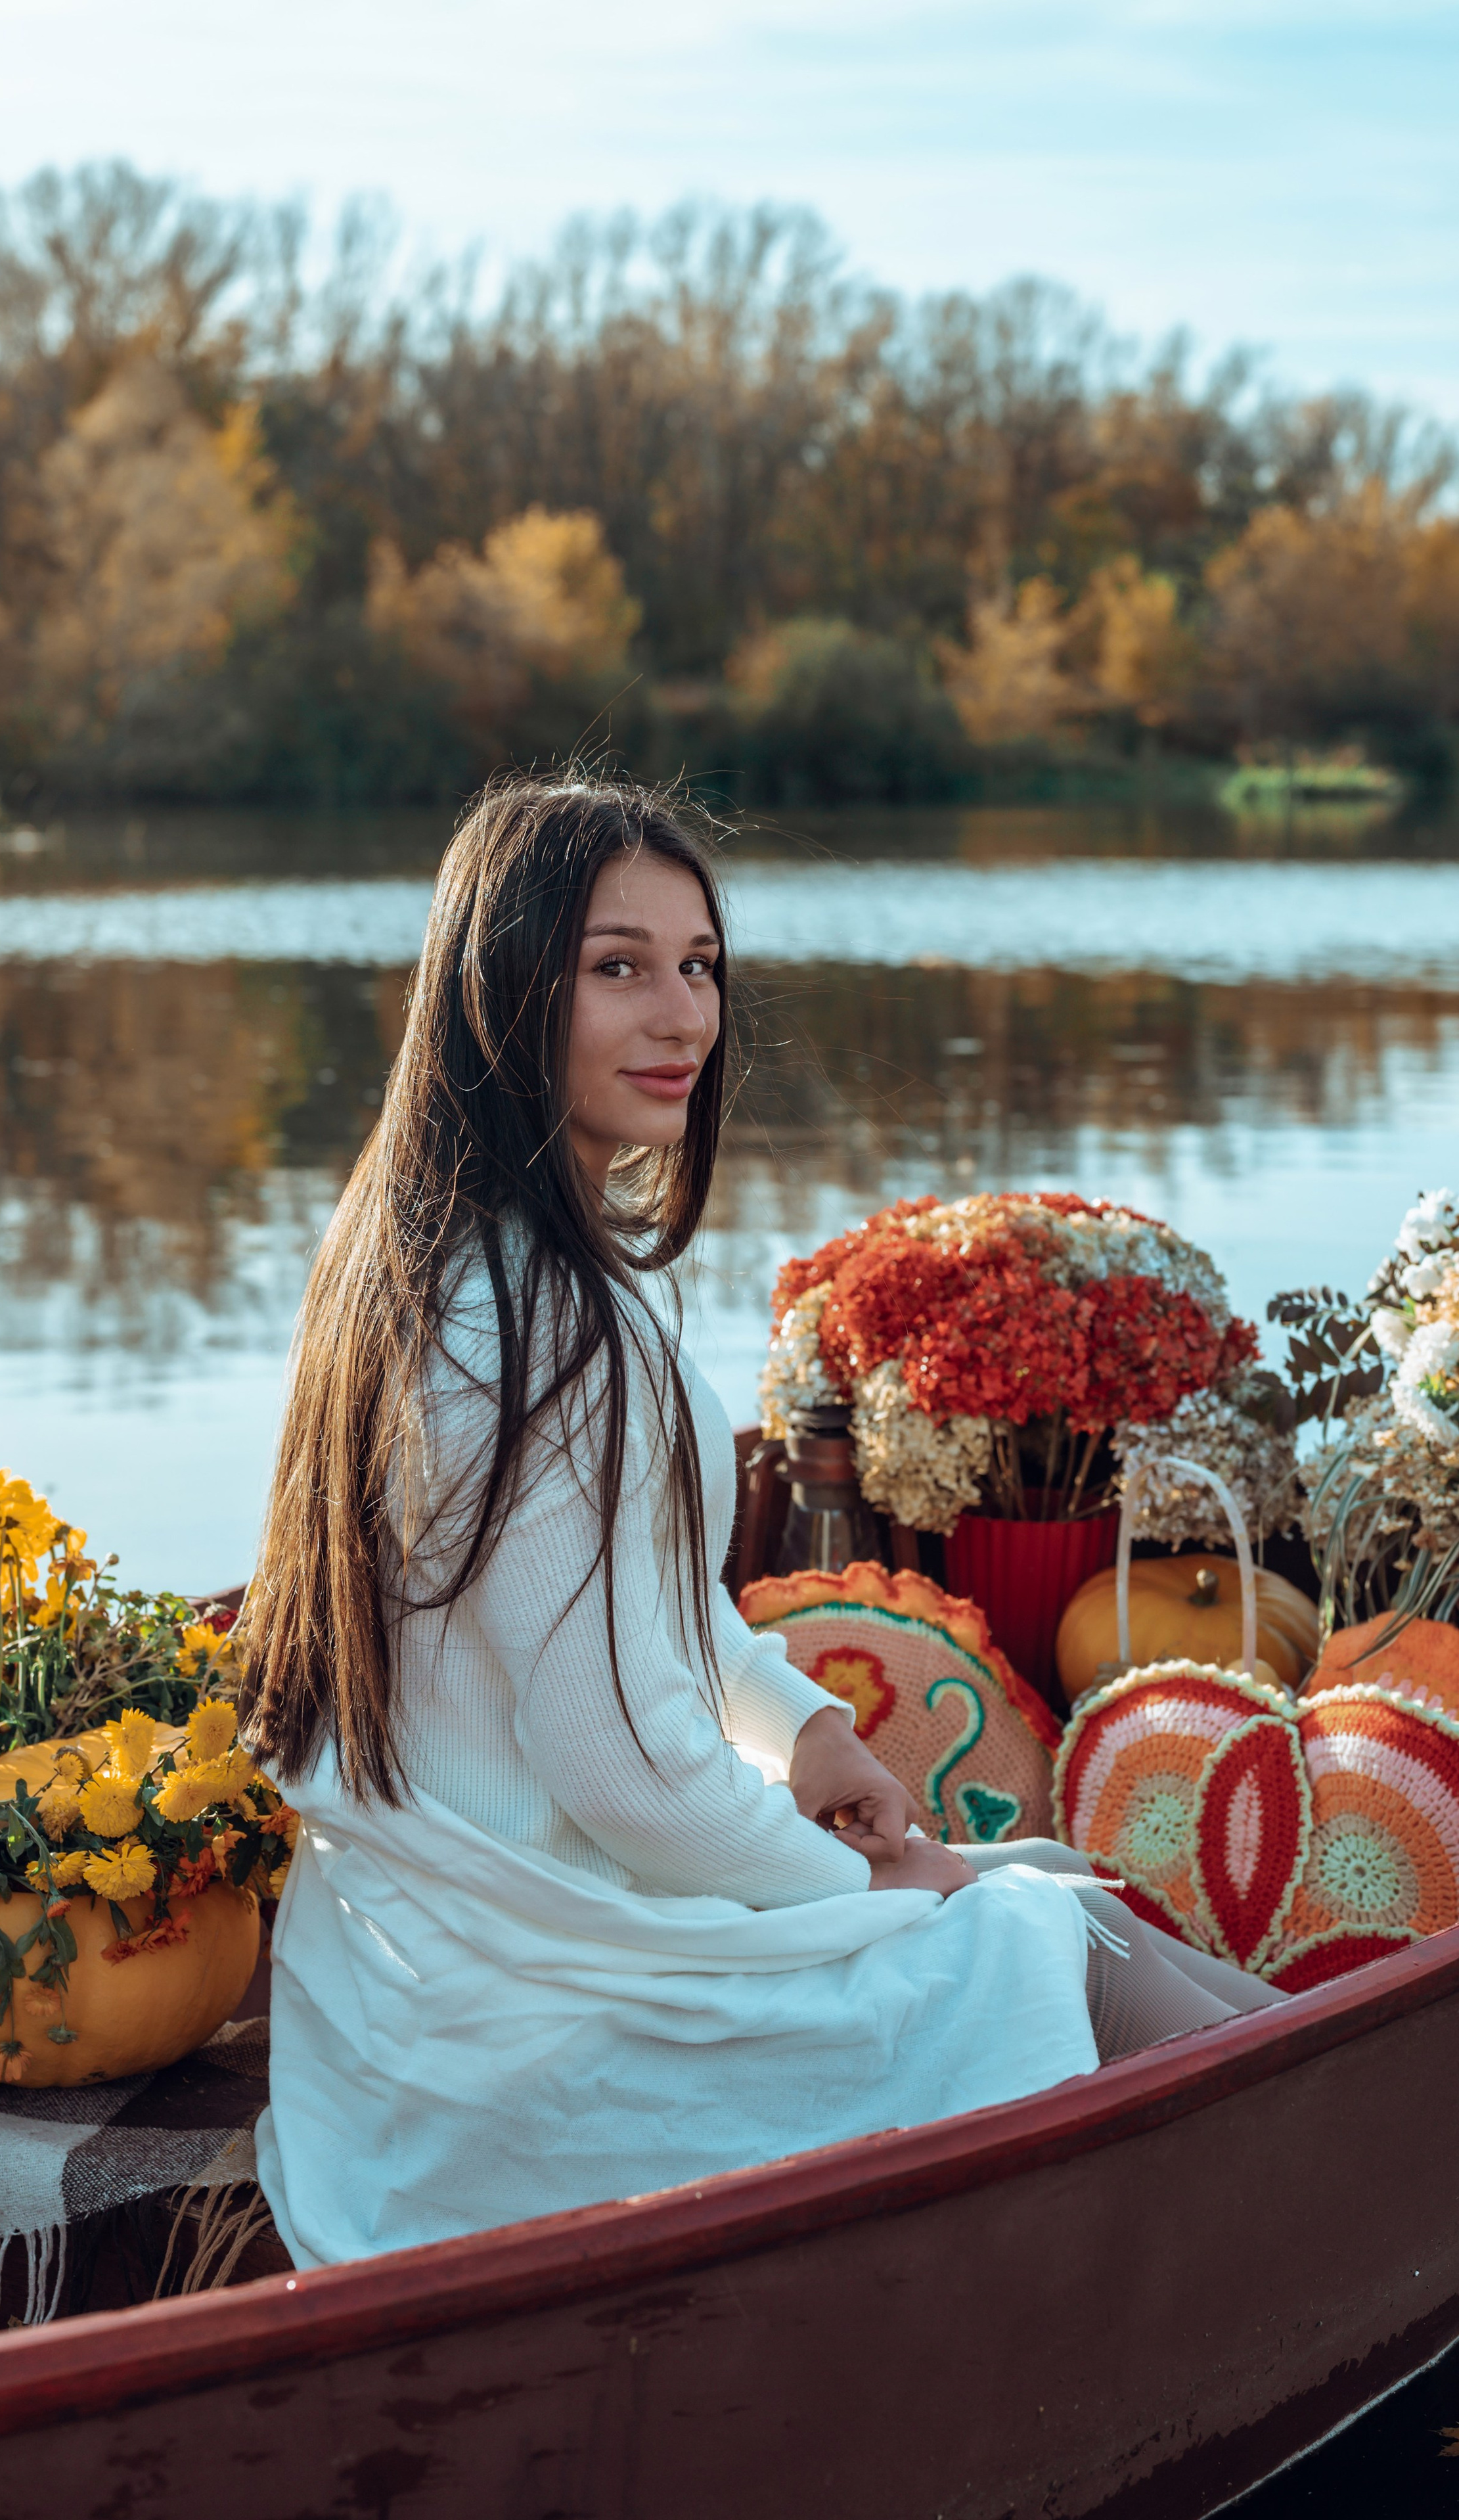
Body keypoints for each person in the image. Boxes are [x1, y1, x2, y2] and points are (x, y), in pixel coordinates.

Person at [241, 773, 1284, 2268]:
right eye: (618, 967)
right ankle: (1355, 2176)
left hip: (422, 1978)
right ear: (500, 989)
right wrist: (861, 1878)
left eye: (698, 965)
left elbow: (636, 1607)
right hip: (529, 2007)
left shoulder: (419, 1260)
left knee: (1044, 1888)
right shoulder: (541, 1333)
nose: (681, 1016)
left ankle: (1346, 2139)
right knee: (1052, 1938)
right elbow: (622, 1768)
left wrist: (795, 1728)